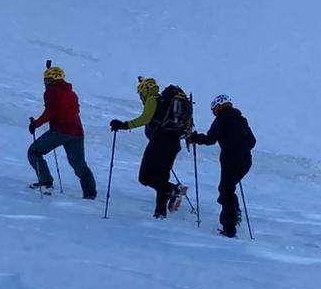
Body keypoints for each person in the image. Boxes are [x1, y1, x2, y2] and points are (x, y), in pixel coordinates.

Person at [110, 77, 192, 219]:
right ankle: (160, 213)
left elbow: (145, 119)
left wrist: (124, 125)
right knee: (161, 176)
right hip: (174, 143)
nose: (141, 97)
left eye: (141, 93)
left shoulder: (153, 99)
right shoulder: (165, 102)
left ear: (145, 90)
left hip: (159, 142)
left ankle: (173, 190)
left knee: (145, 177)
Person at [189, 94, 256, 237]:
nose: (214, 113)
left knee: (226, 190)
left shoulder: (222, 118)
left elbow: (210, 139)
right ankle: (234, 213)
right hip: (246, 161)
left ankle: (229, 227)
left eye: (213, 110)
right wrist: (242, 148)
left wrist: (194, 138)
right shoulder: (242, 120)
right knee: (228, 189)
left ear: (218, 106)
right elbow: (252, 141)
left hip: (231, 160)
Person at [28, 64, 97, 198]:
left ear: (51, 80)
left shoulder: (51, 91)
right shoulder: (71, 93)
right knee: (79, 163)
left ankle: (45, 181)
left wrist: (36, 124)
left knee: (34, 151)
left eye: (47, 79)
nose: (45, 83)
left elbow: (50, 111)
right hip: (77, 132)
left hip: (60, 130)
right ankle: (90, 193)